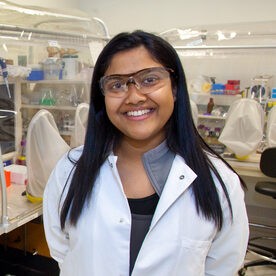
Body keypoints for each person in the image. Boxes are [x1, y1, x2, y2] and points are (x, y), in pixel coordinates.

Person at [43, 30, 249, 276]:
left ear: (174, 89)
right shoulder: (69, 171)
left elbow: (222, 268)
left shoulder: (219, 182)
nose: (134, 96)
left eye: (150, 79)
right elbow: (62, 253)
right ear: (103, 98)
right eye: (117, 84)